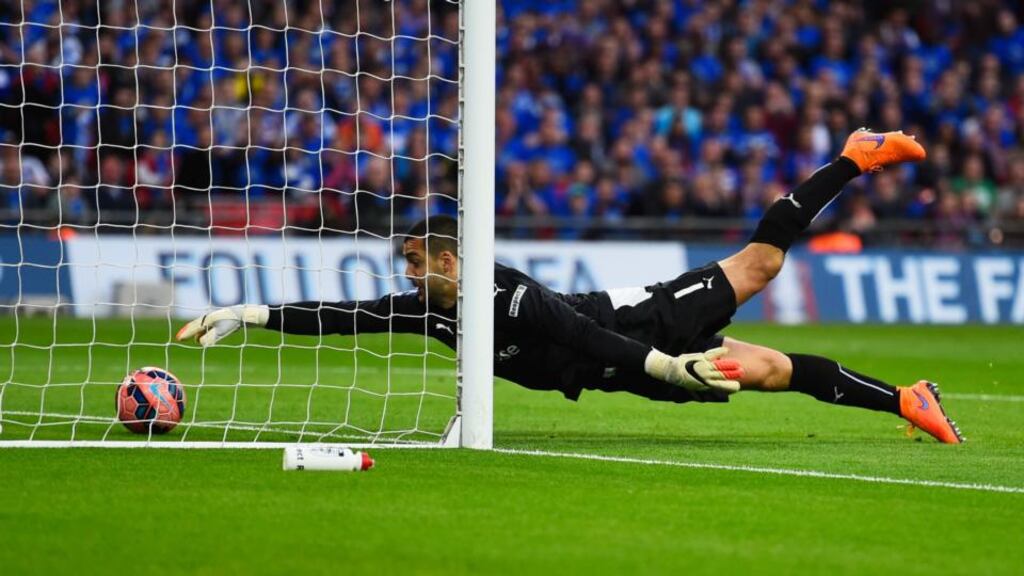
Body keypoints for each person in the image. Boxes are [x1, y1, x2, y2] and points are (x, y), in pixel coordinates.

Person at [177, 129, 964, 444]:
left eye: (417, 262)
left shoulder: (504, 293)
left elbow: (582, 336)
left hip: (636, 324)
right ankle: (906, 397)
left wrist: (661, 363)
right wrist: (248, 313)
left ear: (450, 261)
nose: (409, 277)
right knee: (774, 371)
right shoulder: (428, 311)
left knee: (761, 263)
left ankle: (855, 157)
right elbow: (342, 317)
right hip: (622, 369)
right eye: (407, 266)